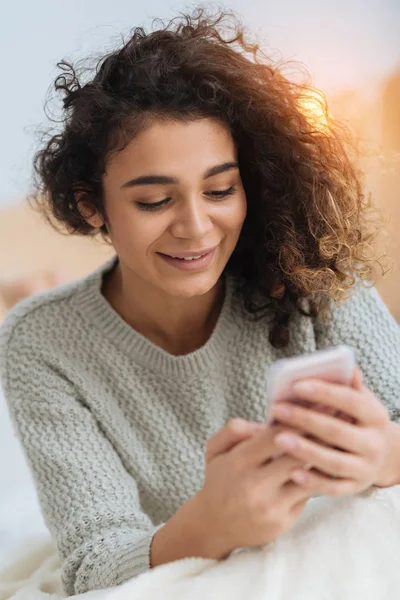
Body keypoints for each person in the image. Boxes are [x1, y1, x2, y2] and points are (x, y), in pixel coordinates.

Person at [1, 7, 400, 597]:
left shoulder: (311, 275)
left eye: (219, 190)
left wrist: (383, 456)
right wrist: (212, 521)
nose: (197, 228)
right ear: (92, 205)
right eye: (155, 201)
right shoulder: (40, 342)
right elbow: (93, 565)